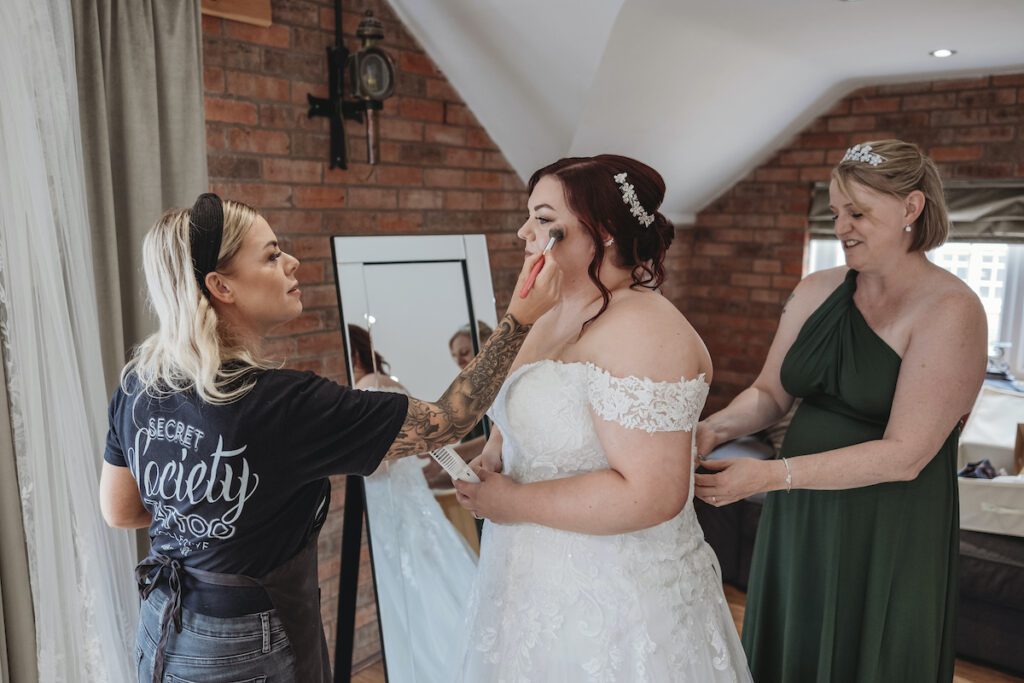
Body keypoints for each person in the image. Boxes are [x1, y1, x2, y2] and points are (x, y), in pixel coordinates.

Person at [97, 193, 559, 683]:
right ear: (221, 286)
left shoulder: (138, 383)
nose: (292, 262)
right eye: (272, 255)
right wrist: (520, 318)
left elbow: (121, 510)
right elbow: (447, 421)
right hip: (243, 640)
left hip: (163, 622)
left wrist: (203, 517)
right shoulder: (284, 405)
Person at [694, 140, 988, 682]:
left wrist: (775, 474)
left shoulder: (951, 310)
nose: (841, 226)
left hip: (887, 519)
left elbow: (905, 456)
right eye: (835, 212)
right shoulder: (815, 290)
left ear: (911, 209)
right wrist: (712, 429)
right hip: (800, 510)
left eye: (858, 212)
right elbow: (770, 394)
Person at [452, 155, 752, 682]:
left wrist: (512, 501)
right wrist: (500, 444)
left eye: (544, 220)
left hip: (612, 596)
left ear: (604, 230)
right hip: (526, 577)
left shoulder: (646, 331)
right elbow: (520, 391)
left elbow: (653, 494)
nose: (524, 233)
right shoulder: (547, 305)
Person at [347, 324, 478, 683]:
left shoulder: (367, 387)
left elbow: (379, 460)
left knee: (418, 585)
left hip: (393, 504)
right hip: (410, 500)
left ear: (351, 353)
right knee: (435, 572)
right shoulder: (392, 384)